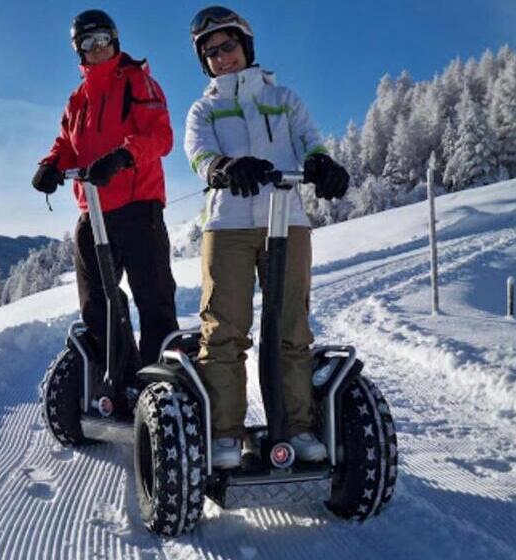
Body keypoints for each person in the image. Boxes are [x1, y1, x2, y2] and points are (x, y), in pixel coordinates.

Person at [184, 6, 350, 468]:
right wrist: (221, 168)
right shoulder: (206, 108)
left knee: (291, 329)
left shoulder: (284, 98)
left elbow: (311, 139)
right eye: (211, 53)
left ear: (246, 45)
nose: (223, 57)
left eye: (228, 46)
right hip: (229, 224)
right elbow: (198, 152)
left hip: (288, 220)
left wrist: (322, 163)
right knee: (224, 330)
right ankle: (224, 435)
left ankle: (295, 427)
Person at [32, 9, 179, 382]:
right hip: (93, 212)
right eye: (87, 43)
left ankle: (159, 382)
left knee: (154, 297)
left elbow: (159, 135)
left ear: (114, 41)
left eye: (101, 40)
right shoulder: (77, 99)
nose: (96, 48)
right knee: (97, 305)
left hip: (138, 205)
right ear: (78, 51)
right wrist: (51, 165)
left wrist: (123, 156)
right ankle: (117, 378)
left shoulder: (137, 83)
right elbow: (66, 143)